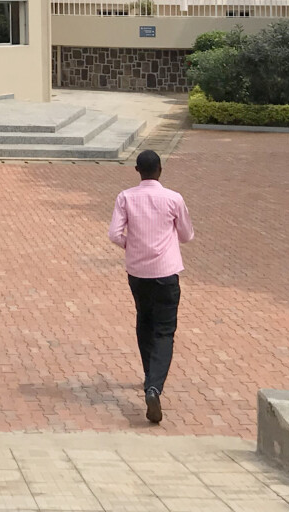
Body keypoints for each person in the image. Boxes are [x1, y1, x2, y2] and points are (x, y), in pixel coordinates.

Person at [108, 149, 194, 426]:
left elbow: (114, 234)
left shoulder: (125, 197)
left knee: (144, 322)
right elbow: (187, 235)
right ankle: (154, 387)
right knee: (165, 330)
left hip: (137, 272)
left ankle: (149, 378)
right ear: (160, 170)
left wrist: (131, 245)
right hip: (166, 272)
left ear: (137, 170)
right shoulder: (173, 198)